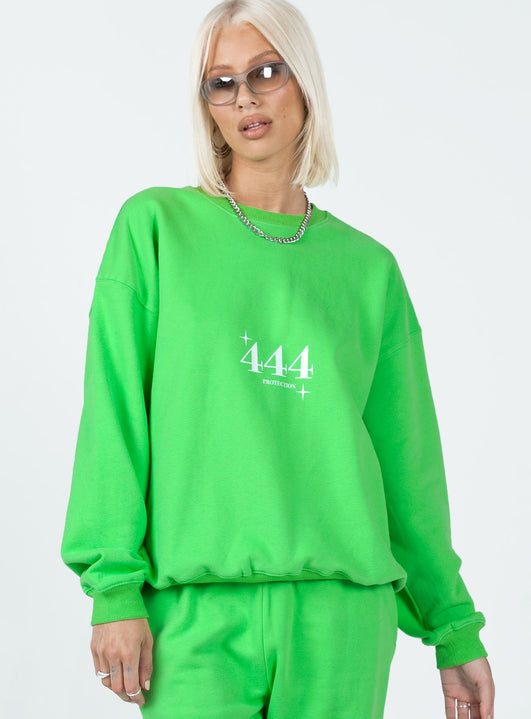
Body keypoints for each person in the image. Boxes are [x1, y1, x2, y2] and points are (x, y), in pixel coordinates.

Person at [60, 1, 496, 717]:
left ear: (305, 82)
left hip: (342, 616)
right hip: (191, 615)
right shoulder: (155, 228)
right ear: (206, 105)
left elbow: (408, 466)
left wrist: (453, 627)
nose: (245, 98)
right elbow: (114, 415)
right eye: (221, 82)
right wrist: (114, 588)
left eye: (266, 72)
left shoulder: (367, 270)